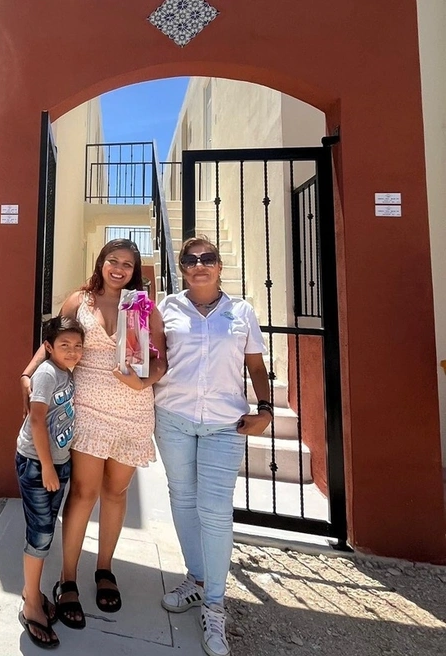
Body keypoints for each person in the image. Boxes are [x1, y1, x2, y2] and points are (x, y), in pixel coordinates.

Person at [20, 239, 166, 629]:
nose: (119, 269)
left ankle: (104, 570)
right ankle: (68, 578)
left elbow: (161, 359)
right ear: (101, 263)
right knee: (84, 493)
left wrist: (143, 383)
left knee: (115, 492)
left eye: (128, 265)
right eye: (112, 261)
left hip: (133, 409)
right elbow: (51, 341)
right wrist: (28, 372)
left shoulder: (142, 306)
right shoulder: (78, 301)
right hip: (86, 408)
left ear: (135, 271)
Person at [153, 237, 274, 656]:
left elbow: (256, 366)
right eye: (190, 259)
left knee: (215, 509)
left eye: (207, 258)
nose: (199, 265)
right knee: (183, 499)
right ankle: (197, 578)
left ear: (220, 266)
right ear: (182, 268)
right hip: (173, 418)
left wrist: (266, 408)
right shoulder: (167, 308)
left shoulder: (240, 312)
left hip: (226, 424)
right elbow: (149, 357)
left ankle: (216, 605)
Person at [16, 316, 85, 649]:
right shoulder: (46, 374)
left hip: (57, 463)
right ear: (48, 347)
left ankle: (34, 591)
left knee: (44, 530)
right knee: (40, 534)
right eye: (64, 346)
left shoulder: (66, 371)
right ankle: (30, 605)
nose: (72, 352)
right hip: (37, 465)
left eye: (77, 346)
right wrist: (46, 466)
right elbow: (38, 419)